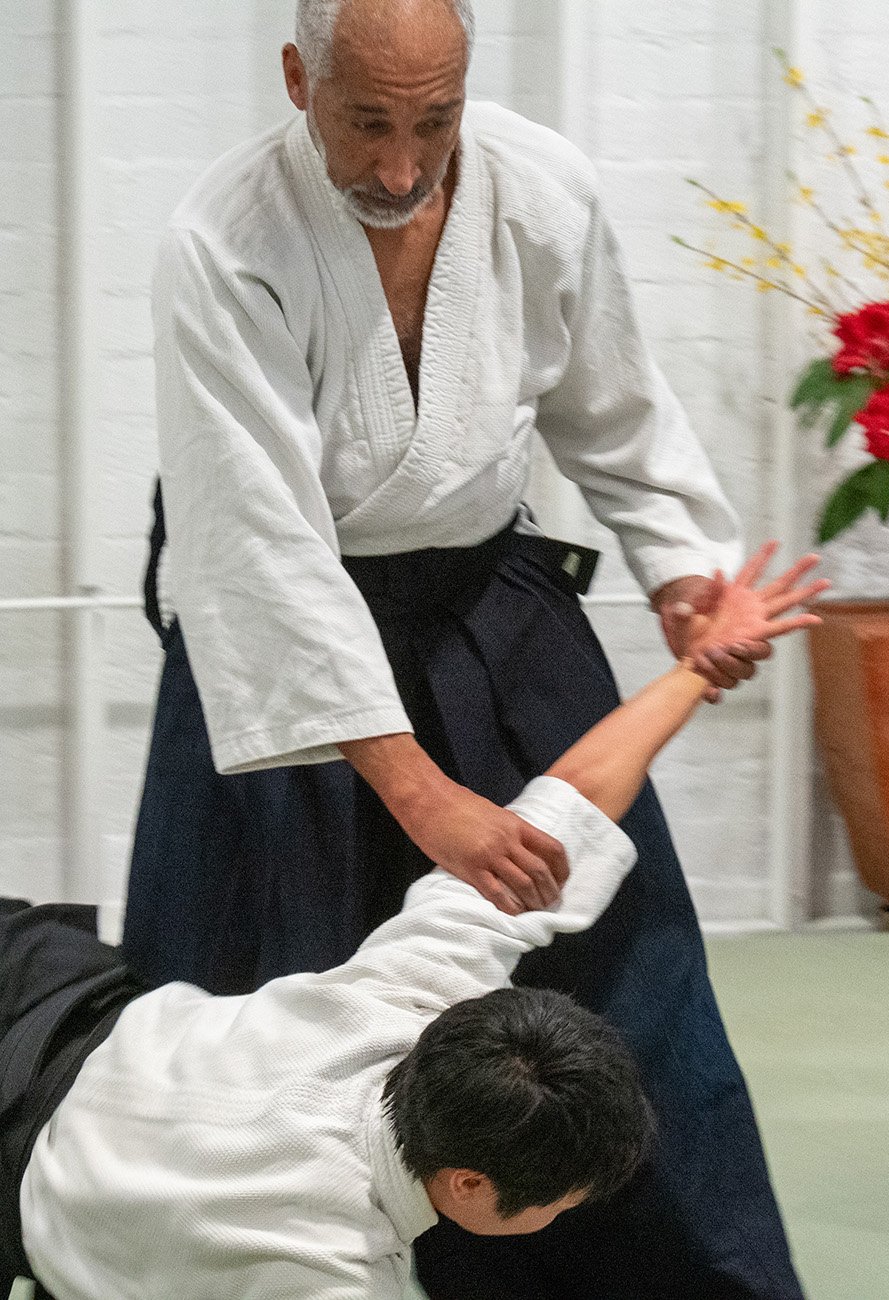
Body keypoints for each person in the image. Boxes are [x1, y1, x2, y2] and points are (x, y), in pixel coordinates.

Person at [122, 0, 815, 1295]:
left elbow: (616, 406)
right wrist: (423, 793)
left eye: (432, 122)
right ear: (297, 79)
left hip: (489, 604)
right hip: (285, 635)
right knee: (271, 996)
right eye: (365, 122)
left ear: (467, 87)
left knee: (612, 961)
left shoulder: (541, 188)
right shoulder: (224, 240)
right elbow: (258, 550)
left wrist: (682, 574)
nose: (400, 165)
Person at [2, 555, 824, 1300]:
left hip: (40, 984)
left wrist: (693, 671)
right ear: (468, 1185)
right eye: (559, 1204)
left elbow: (567, 802)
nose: (569, 1213)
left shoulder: (415, 991)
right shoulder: (330, 1269)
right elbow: (571, 801)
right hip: (31, 1162)